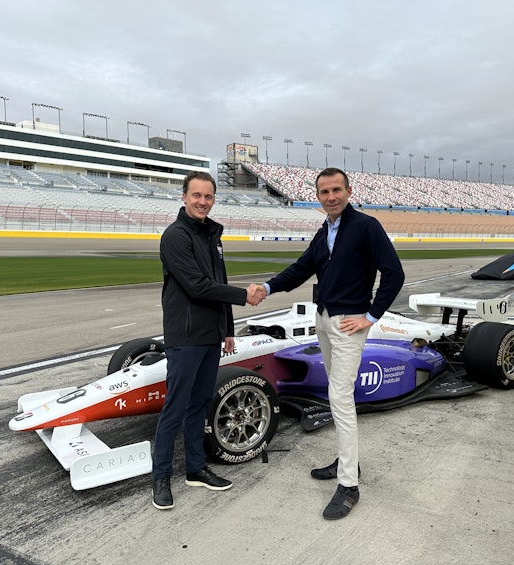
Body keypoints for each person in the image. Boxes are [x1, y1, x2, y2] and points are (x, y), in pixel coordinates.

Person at [253, 167, 404, 520]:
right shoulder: (325, 231)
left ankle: (349, 484)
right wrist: (269, 287)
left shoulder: (366, 226)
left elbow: (394, 273)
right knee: (338, 397)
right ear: (318, 196)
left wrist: (370, 316)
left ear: (349, 191)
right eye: (324, 192)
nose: (331, 196)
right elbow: (302, 267)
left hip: (350, 324)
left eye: (337, 190)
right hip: (323, 320)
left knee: (339, 396)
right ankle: (346, 460)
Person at [152, 171, 262, 510]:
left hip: (211, 336)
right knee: (175, 408)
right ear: (184, 196)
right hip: (185, 337)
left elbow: (219, 281)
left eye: (209, 196)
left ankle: (196, 470)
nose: (202, 202)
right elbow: (197, 286)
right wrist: (245, 295)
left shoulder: (212, 234)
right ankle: (161, 477)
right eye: (197, 195)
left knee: (199, 406)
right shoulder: (175, 236)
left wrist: (228, 327)